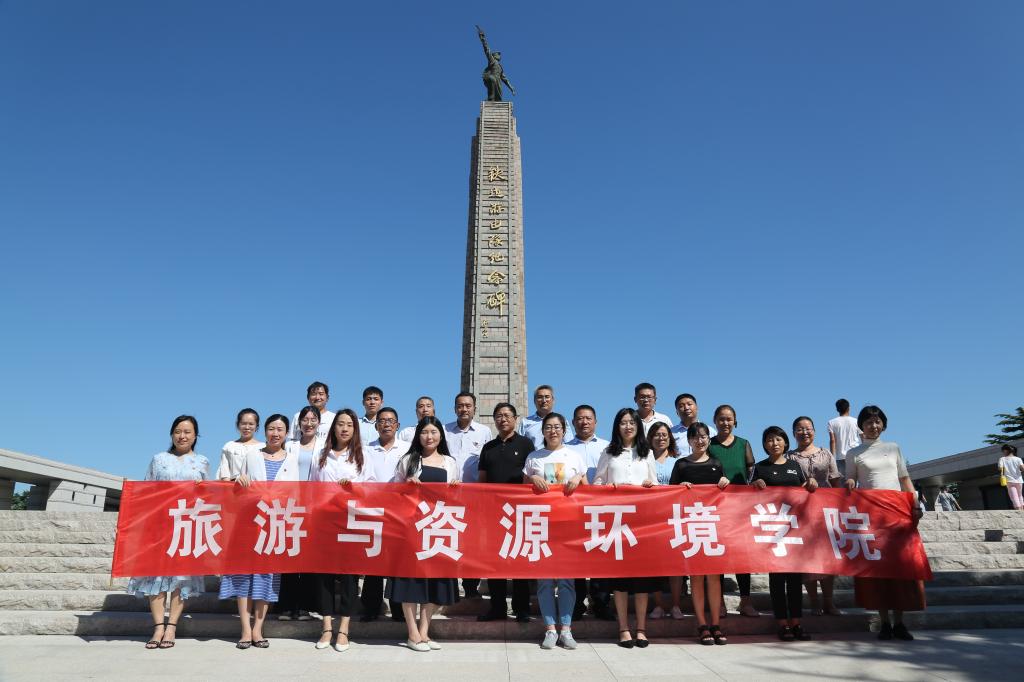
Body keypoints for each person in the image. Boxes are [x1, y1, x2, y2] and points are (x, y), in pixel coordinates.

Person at [127, 415, 208, 649]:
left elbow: (208, 495)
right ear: (172, 434)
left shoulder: (202, 462)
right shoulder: (159, 459)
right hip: (159, 525)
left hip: (187, 526)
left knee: (181, 578)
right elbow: (146, 490)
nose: (182, 436)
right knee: (155, 576)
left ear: (195, 436)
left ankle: (171, 626)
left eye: (188, 432)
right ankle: (158, 627)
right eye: (178, 431)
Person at [846, 405, 926, 641]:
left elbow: (904, 478)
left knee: (899, 568)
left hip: (897, 513)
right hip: (870, 515)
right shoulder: (854, 453)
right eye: (869, 422)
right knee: (878, 569)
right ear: (861, 426)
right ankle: (884, 623)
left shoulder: (893, 448)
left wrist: (915, 504)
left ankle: (899, 623)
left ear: (883, 424)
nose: (874, 426)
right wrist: (849, 483)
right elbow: (851, 478)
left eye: (877, 421)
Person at [223, 414, 302, 649]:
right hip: (248, 522)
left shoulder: (292, 459)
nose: (275, 433)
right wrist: (239, 479)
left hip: (274, 524)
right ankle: (245, 629)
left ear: (286, 433)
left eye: (280, 429)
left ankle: (258, 629)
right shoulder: (252, 455)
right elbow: (239, 488)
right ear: (265, 431)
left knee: (267, 577)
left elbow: (295, 493)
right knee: (243, 575)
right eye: (271, 428)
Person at [388, 417, 461, 652]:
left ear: (441, 435)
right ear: (418, 435)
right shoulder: (408, 460)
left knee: (435, 581)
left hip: (438, 528)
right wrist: (406, 486)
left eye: (434, 432)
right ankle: (412, 634)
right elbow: (392, 493)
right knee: (410, 581)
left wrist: (456, 490)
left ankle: (424, 632)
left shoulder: (450, 462)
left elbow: (456, 498)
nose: (429, 437)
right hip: (412, 527)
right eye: (424, 432)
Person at [309, 409, 376, 652]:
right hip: (325, 520)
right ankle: (327, 627)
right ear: (333, 427)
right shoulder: (321, 455)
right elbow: (312, 488)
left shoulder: (363, 455)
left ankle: (344, 628)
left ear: (355, 429)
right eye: (340, 424)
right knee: (324, 576)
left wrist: (353, 488)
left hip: (351, 521)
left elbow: (371, 488)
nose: (344, 428)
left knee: (349, 577)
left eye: (349, 424)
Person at [594, 408, 658, 649]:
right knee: (619, 580)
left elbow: (656, 485)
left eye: (632, 422)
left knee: (641, 581)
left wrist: (650, 485)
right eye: (623, 422)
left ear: (638, 426)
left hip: (642, 523)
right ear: (616, 426)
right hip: (617, 523)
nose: (628, 426)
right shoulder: (608, 452)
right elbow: (596, 483)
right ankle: (623, 628)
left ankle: (641, 628)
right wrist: (607, 487)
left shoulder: (647, 452)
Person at [523, 412, 586, 650]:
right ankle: (550, 629)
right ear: (542, 431)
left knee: (567, 580)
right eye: (548, 427)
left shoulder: (575, 456)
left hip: (568, 525)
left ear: (564, 430)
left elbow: (589, 492)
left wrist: (579, 478)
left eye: (557, 427)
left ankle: (566, 629)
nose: (553, 431)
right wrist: (532, 480)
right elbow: (521, 492)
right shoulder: (534, 457)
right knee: (545, 581)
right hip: (542, 525)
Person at [753, 426, 817, 641]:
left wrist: (811, 484)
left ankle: (796, 623)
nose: (774, 443)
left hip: (793, 531)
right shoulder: (760, 468)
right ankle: (782, 624)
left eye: (778, 439)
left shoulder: (794, 466)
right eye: (770, 440)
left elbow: (804, 489)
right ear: (764, 444)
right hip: (771, 531)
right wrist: (755, 484)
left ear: (785, 443)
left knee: (795, 579)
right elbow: (747, 496)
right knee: (777, 579)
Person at [669, 422, 730, 645]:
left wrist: (725, 482)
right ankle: (702, 625)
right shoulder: (681, 464)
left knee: (714, 577)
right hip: (690, 526)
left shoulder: (716, 463)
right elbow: (669, 495)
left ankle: (716, 624)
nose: (700, 440)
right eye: (695, 437)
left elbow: (725, 496)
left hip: (712, 526)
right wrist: (680, 487)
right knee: (696, 577)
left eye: (703, 436)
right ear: (689, 441)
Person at [477, 402, 535, 622]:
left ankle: (522, 608)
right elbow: (482, 480)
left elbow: (530, 475)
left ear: (515, 419)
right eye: (499, 416)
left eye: (507, 415)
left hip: (519, 512)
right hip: (494, 513)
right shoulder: (488, 447)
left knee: (520, 562)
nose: (503, 419)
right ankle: (497, 608)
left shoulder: (526, 444)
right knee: (495, 563)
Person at [786, 416, 843, 616]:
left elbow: (835, 482)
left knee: (827, 558)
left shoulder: (826, 454)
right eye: (799, 429)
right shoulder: (790, 457)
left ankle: (829, 601)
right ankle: (813, 601)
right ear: (794, 433)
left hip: (825, 513)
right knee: (807, 559)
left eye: (808, 428)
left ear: (814, 431)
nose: (804, 432)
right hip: (802, 513)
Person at [564, 404, 614, 621]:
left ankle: (601, 603)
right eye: (580, 418)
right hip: (573, 510)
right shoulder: (564, 449)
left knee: (601, 558)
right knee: (575, 558)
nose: (584, 422)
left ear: (596, 422)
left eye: (588, 418)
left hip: (601, 509)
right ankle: (576, 604)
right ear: (573, 423)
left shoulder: (608, 447)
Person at [361, 406, 410, 623]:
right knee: (373, 561)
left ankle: (398, 609)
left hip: (400, 512)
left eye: (390, 421)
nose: (386, 424)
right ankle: (371, 608)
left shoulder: (407, 449)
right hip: (373, 510)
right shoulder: (366, 450)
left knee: (397, 562)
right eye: (382, 421)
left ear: (397, 425)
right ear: (376, 426)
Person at [707, 404, 757, 617]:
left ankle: (746, 601)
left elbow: (752, 470)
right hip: (716, 507)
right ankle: (718, 602)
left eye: (729, 419)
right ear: (714, 421)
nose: (725, 422)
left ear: (735, 421)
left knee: (741, 555)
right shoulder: (709, 444)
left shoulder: (744, 444)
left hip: (740, 508)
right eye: (721, 419)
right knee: (717, 554)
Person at [444, 392, 492, 598]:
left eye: (468, 405)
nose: (464, 409)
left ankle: (471, 587)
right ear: (455, 408)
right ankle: (450, 588)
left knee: (472, 543)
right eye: (460, 405)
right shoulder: (444, 430)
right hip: (448, 495)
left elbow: (487, 461)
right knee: (449, 540)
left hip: (474, 496)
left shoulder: (484, 431)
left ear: (474, 408)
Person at [276, 406, 321, 622]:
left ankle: (305, 607)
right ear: (299, 423)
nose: (309, 423)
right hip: (291, 505)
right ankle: (287, 605)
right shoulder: (290, 445)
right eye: (305, 419)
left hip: (314, 507)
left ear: (319, 423)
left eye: (313, 419)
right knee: (290, 555)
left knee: (309, 558)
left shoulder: (325, 446)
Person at [647, 421, 685, 621]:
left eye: (664, 435)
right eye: (656, 435)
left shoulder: (679, 461)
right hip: (651, 519)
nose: (660, 438)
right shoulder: (643, 460)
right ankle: (659, 605)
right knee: (654, 564)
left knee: (675, 565)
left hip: (674, 518)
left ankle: (676, 605)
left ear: (670, 438)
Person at [217, 408, 264, 481]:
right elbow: (224, 474)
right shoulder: (229, 446)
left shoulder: (263, 447)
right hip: (234, 487)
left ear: (256, 426)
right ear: (238, 425)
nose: (247, 427)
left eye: (251, 424)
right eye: (243, 423)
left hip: (257, 487)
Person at [827, 398, 861, 477]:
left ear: (837, 409)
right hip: (855, 454)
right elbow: (863, 437)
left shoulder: (831, 422)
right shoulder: (856, 421)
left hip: (840, 457)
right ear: (849, 408)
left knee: (842, 482)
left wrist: (832, 457)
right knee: (855, 480)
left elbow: (832, 440)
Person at [999, 444, 1024, 510]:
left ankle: (1018, 509)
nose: (1003, 452)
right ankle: (1022, 508)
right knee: (1020, 495)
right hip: (1019, 480)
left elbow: (1000, 468)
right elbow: (1022, 468)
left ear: (1006, 450)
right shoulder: (1018, 459)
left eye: (1003, 451)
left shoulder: (1002, 459)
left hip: (1009, 480)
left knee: (1013, 496)